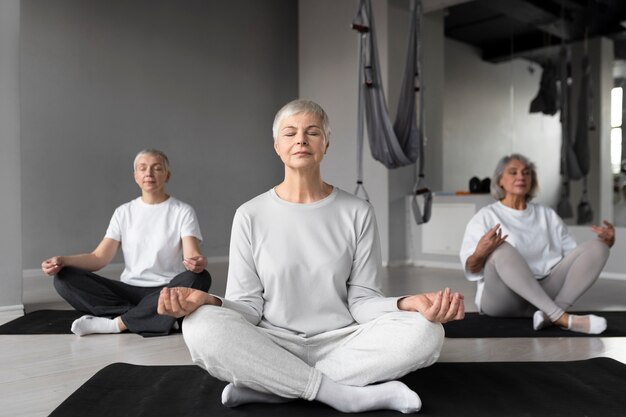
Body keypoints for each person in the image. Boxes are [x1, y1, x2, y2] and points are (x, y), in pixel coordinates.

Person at [157, 99, 464, 414]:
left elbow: (363, 302)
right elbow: (247, 308)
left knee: (427, 331)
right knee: (199, 326)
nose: (301, 140)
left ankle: (275, 387)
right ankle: (345, 395)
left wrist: (407, 303)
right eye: (290, 133)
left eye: (312, 132)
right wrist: (205, 301)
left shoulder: (358, 212)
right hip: (272, 341)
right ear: (277, 146)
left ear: (326, 144)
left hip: (343, 341)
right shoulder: (249, 214)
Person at [41, 149, 212, 337]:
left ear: (167, 175)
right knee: (64, 278)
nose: (149, 173)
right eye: (143, 168)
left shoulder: (183, 211)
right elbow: (98, 258)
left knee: (200, 277)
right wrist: (63, 261)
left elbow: (192, 255)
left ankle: (117, 324)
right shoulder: (123, 212)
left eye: (157, 168)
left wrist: (197, 263)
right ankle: (154, 317)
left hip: (166, 289)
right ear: (136, 176)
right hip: (128, 290)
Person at [460, 153, 614, 334]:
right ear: (500, 180)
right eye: (513, 172)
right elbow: (471, 269)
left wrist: (607, 243)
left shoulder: (547, 215)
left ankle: (551, 313)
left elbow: (575, 258)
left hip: (546, 293)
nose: (521, 177)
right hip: (504, 300)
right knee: (500, 248)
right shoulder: (485, 216)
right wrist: (480, 252)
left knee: (598, 246)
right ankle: (560, 317)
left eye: (526, 173)